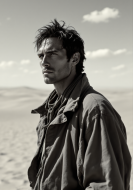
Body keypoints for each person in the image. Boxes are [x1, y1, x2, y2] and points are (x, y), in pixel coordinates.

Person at [27, 19, 131, 190]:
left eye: (52, 54)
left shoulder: (95, 109)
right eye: (41, 55)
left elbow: (106, 184)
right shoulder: (53, 108)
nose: (44, 62)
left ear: (74, 58)